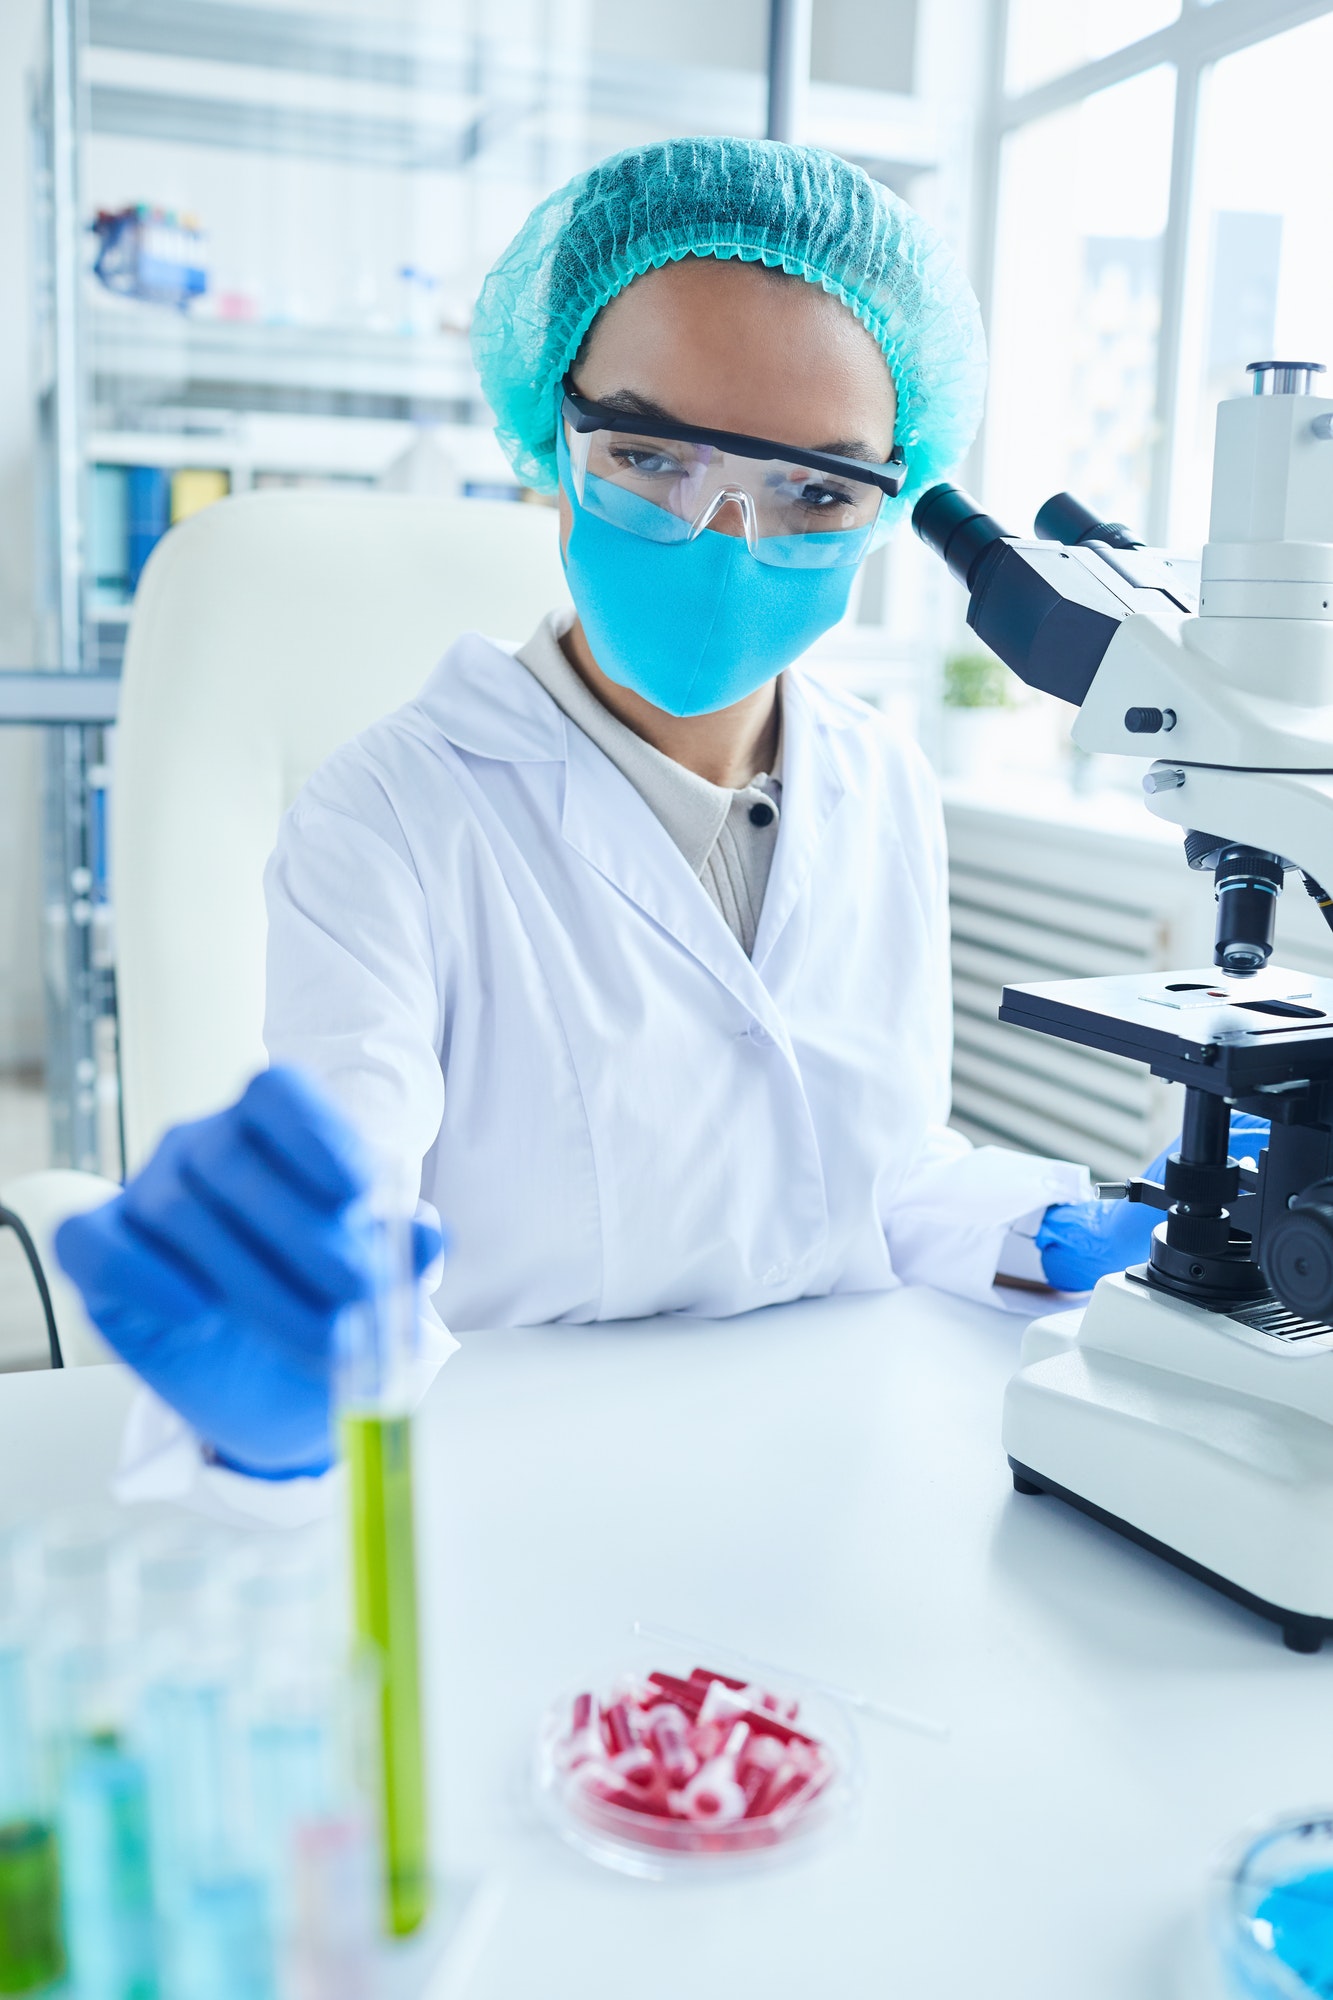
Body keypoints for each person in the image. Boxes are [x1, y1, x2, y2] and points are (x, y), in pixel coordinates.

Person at [55, 137, 1258, 1498]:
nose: (726, 530)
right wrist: (289, 1377)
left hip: (833, 1481)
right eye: (647, 454)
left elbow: (876, 1169)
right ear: (546, 444)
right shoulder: (385, 817)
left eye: (813, 490)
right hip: (526, 1499)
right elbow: (355, 1213)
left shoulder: (881, 784)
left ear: (889, 500)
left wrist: (1054, 1224)